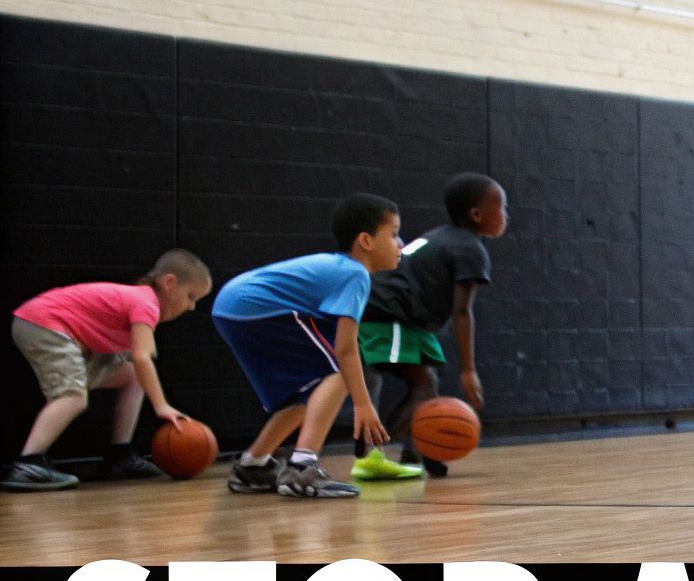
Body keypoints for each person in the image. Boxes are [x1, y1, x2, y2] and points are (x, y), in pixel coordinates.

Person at [211, 193, 401, 499]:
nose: (400, 244)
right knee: (336, 371)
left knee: (307, 392)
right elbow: (346, 350)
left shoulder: (340, 270)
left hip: (231, 307)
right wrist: (363, 404)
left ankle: (253, 465)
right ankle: (303, 468)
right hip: (254, 307)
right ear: (365, 241)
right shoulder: (355, 274)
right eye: (393, 235)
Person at [3, 250, 213, 491]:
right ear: (169, 283)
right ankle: (28, 464)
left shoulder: (139, 302)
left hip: (44, 324)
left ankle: (119, 454)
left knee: (133, 377)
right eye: (191, 296)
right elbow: (142, 357)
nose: (191, 306)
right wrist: (161, 406)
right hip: (42, 324)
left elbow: (139, 364)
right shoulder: (146, 303)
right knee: (72, 397)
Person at [350, 174, 509, 480]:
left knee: (421, 383)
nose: (505, 215)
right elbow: (462, 311)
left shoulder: (439, 235)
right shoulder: (470, 249)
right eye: (501, 207)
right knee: (421, 385)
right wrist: (468, 370)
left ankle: (415, 452)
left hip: (373, 308)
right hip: (388, 313)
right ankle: (371, 452)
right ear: (476, 215)